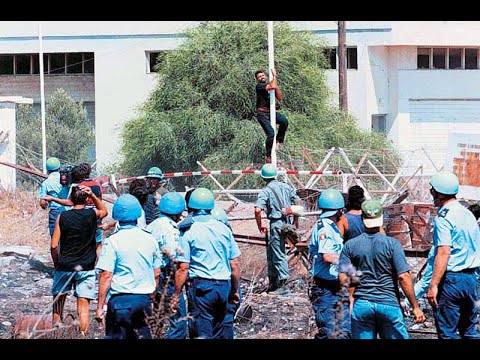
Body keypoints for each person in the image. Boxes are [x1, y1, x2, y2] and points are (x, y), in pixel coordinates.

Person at [338, 199, 425, 339]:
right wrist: (415, 306)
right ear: (381, 218)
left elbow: (344, 279)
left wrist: (354, 294)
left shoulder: (350, 245)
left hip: (362, 305)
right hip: (389, 304)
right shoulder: (393, 245)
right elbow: (403, 277)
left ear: (362, 218)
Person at [170, 188, 241, 339]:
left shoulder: (187, 230)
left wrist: (176, 295)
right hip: (223, 287)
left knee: (202, 333)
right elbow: (234, 264)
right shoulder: (223, 229)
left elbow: (183, 268)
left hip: (202, 288)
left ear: (190, 207)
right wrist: (234, 290)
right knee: (220, 331)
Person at [95, 194, 163, 339]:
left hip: (120, 302)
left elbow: (106, 275)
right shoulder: (150, 239)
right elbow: (157, 272)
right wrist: (152, 294)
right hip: (143, 301)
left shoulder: (113, 241)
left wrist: (100, 307)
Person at [426, 171, 480, 339]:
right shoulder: (468, 214)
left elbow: (443, 252)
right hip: (472, 279)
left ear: (439, 193)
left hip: (452, 280)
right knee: (470, 331)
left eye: (432, 191)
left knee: (447, 332)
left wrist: (433, 285)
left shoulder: (444, 217)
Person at [50, 185, 108, 336]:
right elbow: (105, 211)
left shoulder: (62, 217)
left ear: (70, 200)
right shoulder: (91, 214)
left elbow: (54, 245)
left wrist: (57, 262)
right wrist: (93, 197)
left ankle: (56, 333)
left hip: (65, 265)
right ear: (87, 199)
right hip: (86, 267)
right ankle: (82, 335)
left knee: (58, 301)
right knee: (83, 305)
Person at [308, 189, 350, 339]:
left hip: (335, 285)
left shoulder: (332, 227)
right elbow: (327, 256)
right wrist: (350, 265)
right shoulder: (324, 228)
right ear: (338, 210)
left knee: (344, 331)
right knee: (330, 332)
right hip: (325, 288)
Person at [254, 163, 302, 295]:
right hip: (287, 222)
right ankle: (273, 283)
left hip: (276, 224)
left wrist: (260, 225)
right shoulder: (286, 187)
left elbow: (258, 209)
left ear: (263, 178)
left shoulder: (265, 191)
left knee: (278, 254)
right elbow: (298, 202)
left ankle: (283, 287)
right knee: (272, 252)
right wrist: (295, 219)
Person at [146, 192, 188, 339]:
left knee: (158, 318)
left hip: (152, 275)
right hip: (166, 276)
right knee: (179, 323)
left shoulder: (153, 225)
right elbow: (174, 258)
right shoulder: (169, 229)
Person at [211, 206, 242, 339]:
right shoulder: (227, 234)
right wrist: (235, 290)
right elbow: (234, 264)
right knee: (227, 318)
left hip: (206, 284)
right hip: (226, 282)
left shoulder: (200, 234)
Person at [254, 68, 289, 164]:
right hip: (262, 114)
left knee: (284, 121)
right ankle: (268, 155)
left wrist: (276, 85)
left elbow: (280, 98)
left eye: (262, 75)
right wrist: (275, 76)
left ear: (265, 75)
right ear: (257, 79)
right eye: (259, 77)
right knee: (271, 133)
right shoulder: (260, 86)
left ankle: (278, 141)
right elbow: (272, 85)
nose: (261, 77)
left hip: (270, 112)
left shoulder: (269, 85)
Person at [38, 156, 68, 238]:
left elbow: (42, 202)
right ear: (59, 168)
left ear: (48, 170)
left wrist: (44, 206)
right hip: (69, 210)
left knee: (55, 237)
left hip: (55, 212)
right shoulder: (67, 179)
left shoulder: (46, 183)